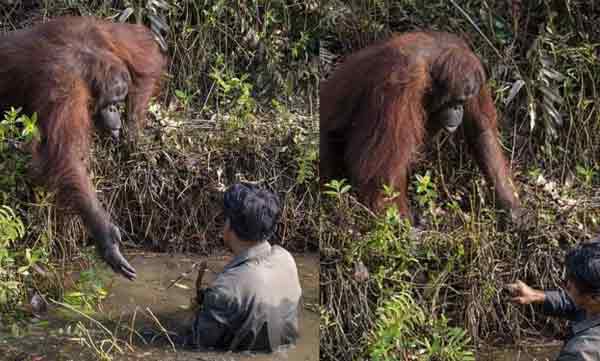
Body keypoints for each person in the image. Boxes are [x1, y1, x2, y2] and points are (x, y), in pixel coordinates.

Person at [188, 182, 302, 352]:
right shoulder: (286, 258)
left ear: (229, 225)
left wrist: (195, 313)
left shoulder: (224, 289)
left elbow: (197, 345)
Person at [507, 240, 600, 361]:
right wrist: (535, 295)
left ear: (594, 298)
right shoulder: (593, 305)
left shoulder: (581, 353)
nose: (567, 284)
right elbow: (574, 303)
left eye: (571, 281)